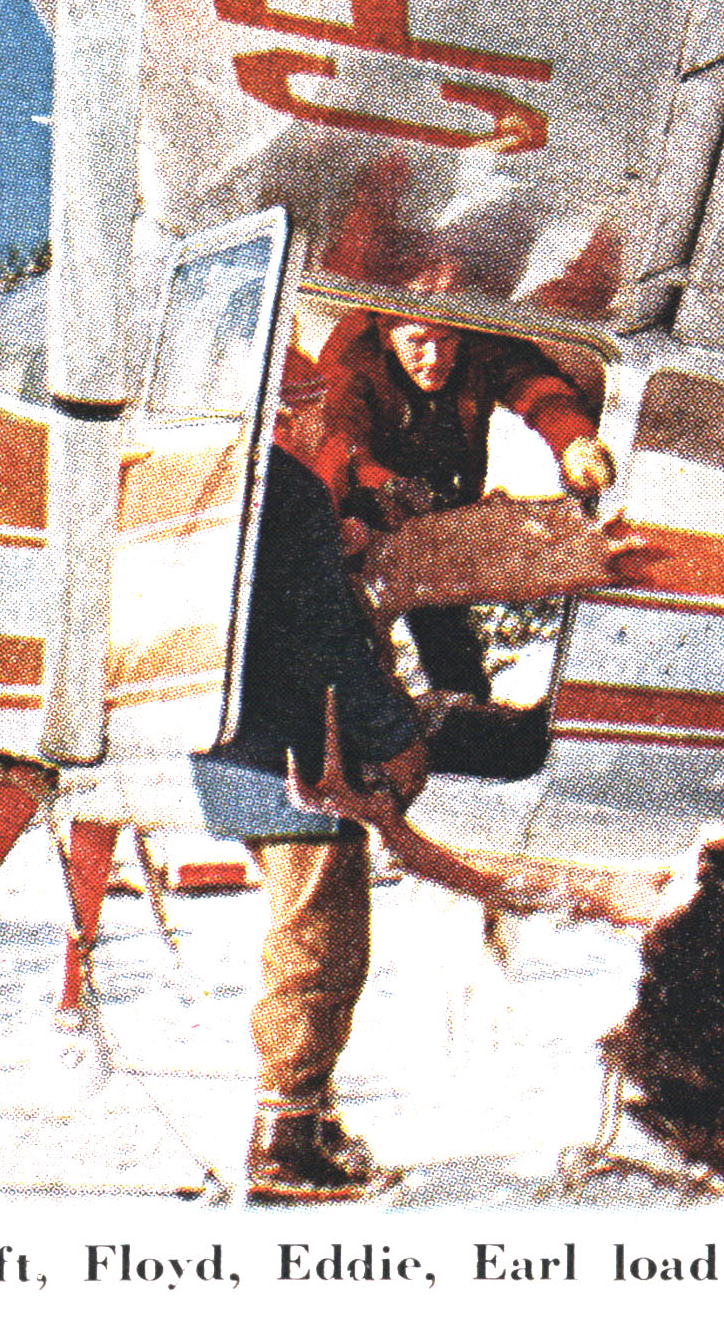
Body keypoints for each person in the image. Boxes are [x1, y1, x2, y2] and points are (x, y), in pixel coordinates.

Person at [209, 346, 429, 1203]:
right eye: (307, 407)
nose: (317, 423)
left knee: (302, 931)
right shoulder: (286, 488)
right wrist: (393, 728)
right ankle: (285, 1138)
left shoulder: (223, 480)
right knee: (319, 942)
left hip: (227, 741)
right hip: (300, 752)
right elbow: (324, 641)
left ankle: (313, 1117)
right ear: (285, 409)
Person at [312, 310, 615, 700]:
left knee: (447, 634)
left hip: (442, 513)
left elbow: (533, 383)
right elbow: (339, 442)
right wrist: (381, 486)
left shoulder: (480, 339)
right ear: (389, 337)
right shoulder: (354, 358)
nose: (434, 357)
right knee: (352, 639)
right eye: (418, 342)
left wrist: (573, 441)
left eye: (446, 341)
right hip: (365, 517)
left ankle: (464, 713)